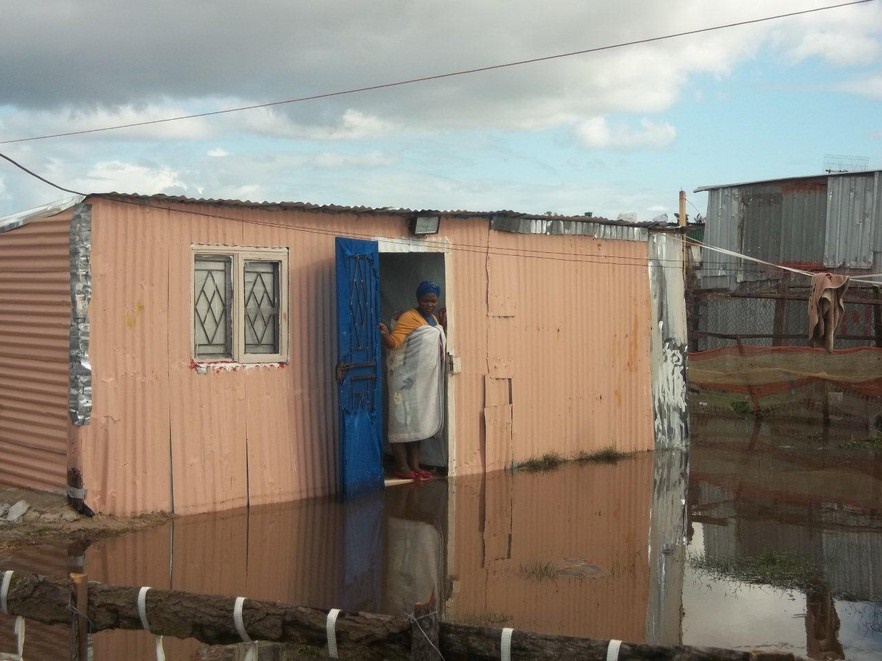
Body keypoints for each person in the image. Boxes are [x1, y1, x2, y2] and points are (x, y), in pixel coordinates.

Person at [378, 281, 447, 480]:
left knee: (415, 425)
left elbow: (434, 341)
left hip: (421, 383)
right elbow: (396, 343)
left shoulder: (432, 318)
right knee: (401, 423)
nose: (430, 304)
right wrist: (385, 336)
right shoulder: (409, 317)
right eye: (426, 300)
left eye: (433, 300)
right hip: (404, 381)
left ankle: (415, 465)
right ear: (418, 299)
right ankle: (402, 467)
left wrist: (442, 324)